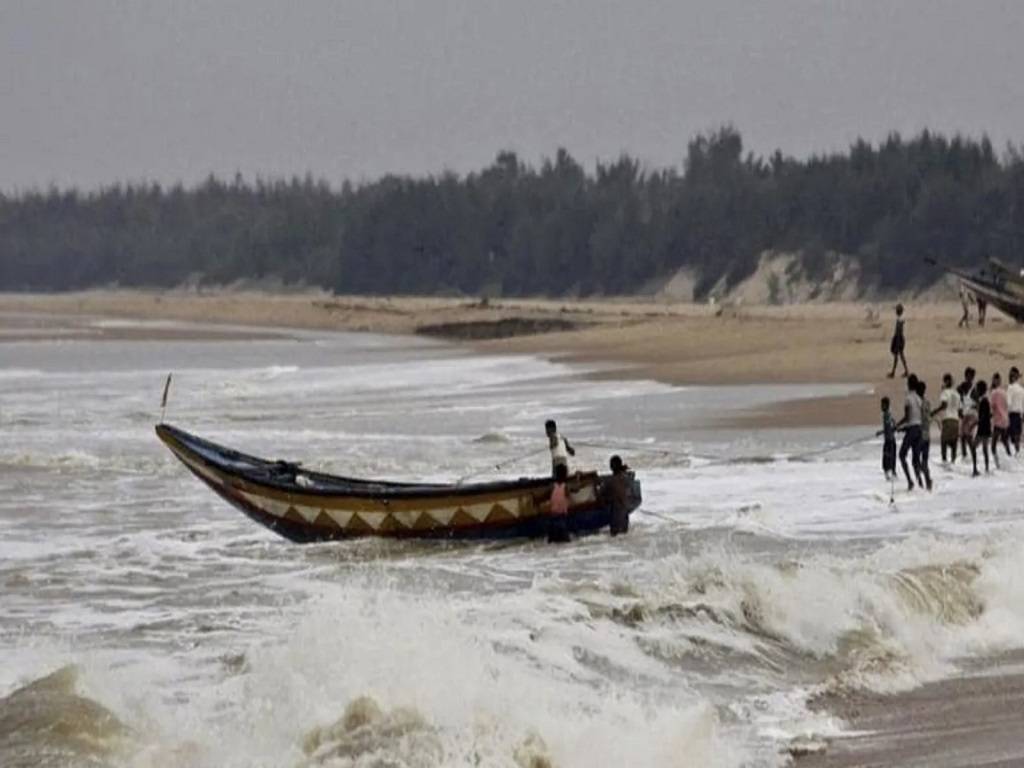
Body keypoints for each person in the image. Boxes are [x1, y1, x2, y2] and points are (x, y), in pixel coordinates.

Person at [895, 374, 922, 491]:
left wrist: (897, 425)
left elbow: (907, 417)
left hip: (912, 430)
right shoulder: (919, 399)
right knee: (916, 459)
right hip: (919, 429)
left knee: (901, 455)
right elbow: (916, 418)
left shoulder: (908, 398)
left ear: (909, 384)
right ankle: (920, 483)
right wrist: (903, 428)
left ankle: (910, 481)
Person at [934, 373, 961, 463]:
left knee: (944, 443)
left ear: (945, 381)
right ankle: (953, 464)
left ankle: (944, 463)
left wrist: (933, 412)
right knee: (954, 444)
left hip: (947, 420)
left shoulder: (944, 393)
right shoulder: (957, 394)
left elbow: (944, 405)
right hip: (956, 421)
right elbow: (960, 411)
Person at [602, 455, 632, 536]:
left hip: (616, 518)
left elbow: (603, 494)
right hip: (625, 517)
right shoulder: (626, 478)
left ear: (611, 467)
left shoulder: (610, 481)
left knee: (614, 538)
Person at [915, 380, 933, 491]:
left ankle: (920, 484)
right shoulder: (928, 403)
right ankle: (928, 482)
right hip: (927, 435)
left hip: (919, 435)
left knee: (916, 460)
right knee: (924, 461)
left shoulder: (918, 404)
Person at [546, 463, 571, 543]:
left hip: (552, 519)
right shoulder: (566, 487)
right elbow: (576, 490)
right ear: (565, 475)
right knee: (566, 541)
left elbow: (544, 496)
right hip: (562, 519)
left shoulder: (552, 486)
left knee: (551, 542)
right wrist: (578, 478)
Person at [990, 372, 1011, 462]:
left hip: (998, 420)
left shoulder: (994, 392)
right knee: (1005, 441)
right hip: (1005, 420)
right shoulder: (1004, 392)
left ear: (995, 381)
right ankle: (1010, 459)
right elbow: (1007, 405)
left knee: (993, 445)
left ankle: (997, 464)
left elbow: (992, 406)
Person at [973, 380, 993, 475]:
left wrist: (975, 423)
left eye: (977, 388)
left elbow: (984, 416)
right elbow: (989, 415)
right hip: (986, 428)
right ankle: (986, 469)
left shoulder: (984, 401)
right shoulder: (985, 400)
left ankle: (975, 468)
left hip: (982, 429)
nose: (976, 390)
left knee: (973, 447)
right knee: (985, 450)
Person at [959, 367, 977, 463]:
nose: (969, 378)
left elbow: (977, 403)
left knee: (968, 437)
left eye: (971, 376)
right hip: (965, 415)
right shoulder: (961, 387)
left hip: (971, 415)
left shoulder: (974, 390)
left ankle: (973, 458)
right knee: (962, 437)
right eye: (968, 376)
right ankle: (964, 457)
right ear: (965, 376)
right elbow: (959, 398)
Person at [877, 397, 897, 481]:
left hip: (889, 440)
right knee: (891, 458)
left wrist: (880, 432)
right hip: (891, 439)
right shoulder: (889, 413)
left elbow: (888, 427)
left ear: (886, 405)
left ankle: (889, 477)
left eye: (882, 405)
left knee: (886, 458)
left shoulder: (886, 415)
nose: (881, 407)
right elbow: (894, 423)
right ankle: (893, 474)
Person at [887, 304, 909, 379]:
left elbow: (899, 331)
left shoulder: (900, 320)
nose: (895, 311)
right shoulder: (900, 319)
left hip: (898, 339)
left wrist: (897, 341)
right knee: (901, 355)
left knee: (897, 356)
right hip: (899, 338)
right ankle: (905, 371)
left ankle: (893, 372)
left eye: (896, 310)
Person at [1007, 366, 1024, 453]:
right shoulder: (1022, 389)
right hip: (1020, 416)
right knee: (1017, 438)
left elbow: (1008, 403)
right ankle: (1017, 457)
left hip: (1012, 416)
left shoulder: (1010, 388)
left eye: (1010, 376)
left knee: (1007, 437)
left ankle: (1009, 458)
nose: (1009, 377)